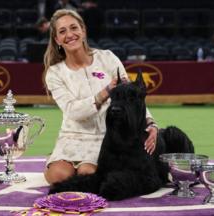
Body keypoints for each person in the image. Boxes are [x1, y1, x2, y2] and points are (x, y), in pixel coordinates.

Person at [43, 9, 158, 185]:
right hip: (72, 136)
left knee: (87, 174)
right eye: (62, 31)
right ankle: (55, 157)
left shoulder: (107, 58)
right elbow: (73, 111)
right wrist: (105, 92)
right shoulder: (54, 72)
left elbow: (132, 96)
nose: (70, 34)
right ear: (57, 40)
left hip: (108, 137)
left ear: (83, 31)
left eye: (74, 28)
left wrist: (151, 124)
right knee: (58, 176)